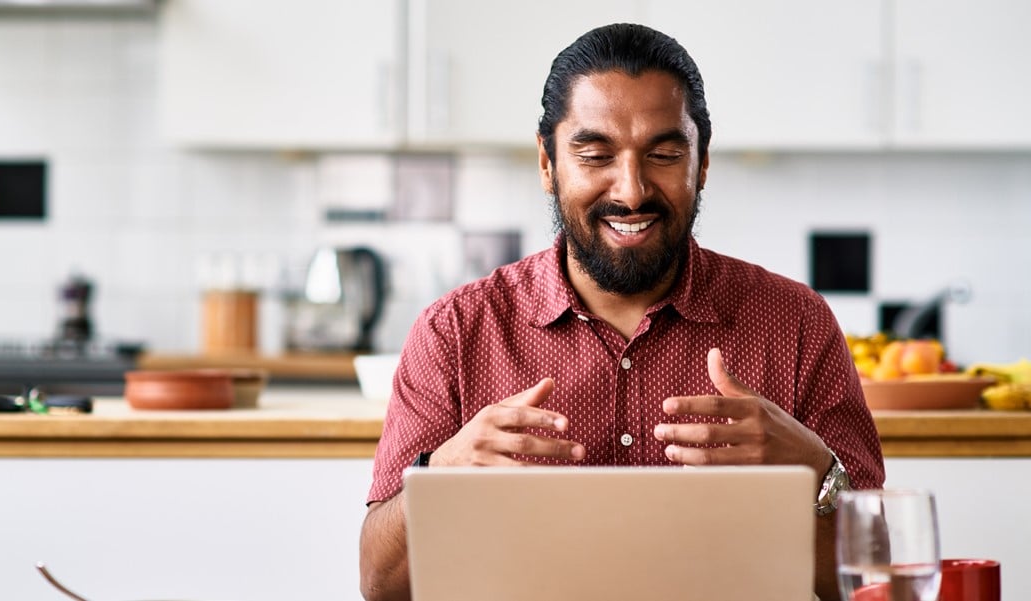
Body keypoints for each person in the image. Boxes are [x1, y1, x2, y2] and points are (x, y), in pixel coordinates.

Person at [358, 22, 884, 601]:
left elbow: (875, 578)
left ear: (701, 162)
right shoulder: (454, 332)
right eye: (595, 154)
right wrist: (441, 478)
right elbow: (382, 587)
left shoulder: (797, 325)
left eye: (662, 154)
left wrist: (816, 472)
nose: (631, 191)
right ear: (547, 161)